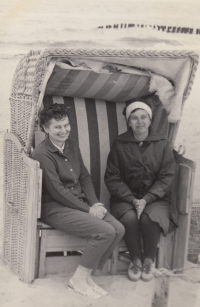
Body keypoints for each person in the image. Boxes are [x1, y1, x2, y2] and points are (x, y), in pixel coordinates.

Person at [32, 104, 125, 298]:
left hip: (79, 203)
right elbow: (56, 191)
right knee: (105, 231)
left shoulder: (72, 145)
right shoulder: (42, 154)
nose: (63, 130)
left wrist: (95, 204)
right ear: (46, 129)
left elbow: (84, 176)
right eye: (57, 127)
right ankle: (77, 280)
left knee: (119, 229)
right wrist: (88, 209)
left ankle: (87, 275)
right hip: (55, 208)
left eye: (66, 125)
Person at [104, 101, 175, 282]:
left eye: (143, 117)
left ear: (150, 120)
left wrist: (147, 198)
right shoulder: (120, 143)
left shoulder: (162, 143)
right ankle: (135, 259)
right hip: (125, 198)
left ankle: (149, 260)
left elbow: (166, 176)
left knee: (149, 217)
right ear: (129, 122)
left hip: (156, 198)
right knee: (128, 217)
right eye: (134, 118)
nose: (139, 122)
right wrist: (131, 199)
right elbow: (113, 177)